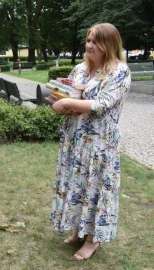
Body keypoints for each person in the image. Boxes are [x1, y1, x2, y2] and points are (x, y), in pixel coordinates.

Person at [50, 23, 131, 260]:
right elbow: (72, 98)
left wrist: (67, 104)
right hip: (76, 139)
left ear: (109, 44)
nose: (89, 45)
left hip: (100, 144)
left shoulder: (119, 72)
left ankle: (92, 239)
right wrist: (61, 100)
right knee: (77, 185)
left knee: (95, 187)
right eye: (88, 40)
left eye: (95, 41)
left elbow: (101, 104)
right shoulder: (80, 70)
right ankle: (78, 229)